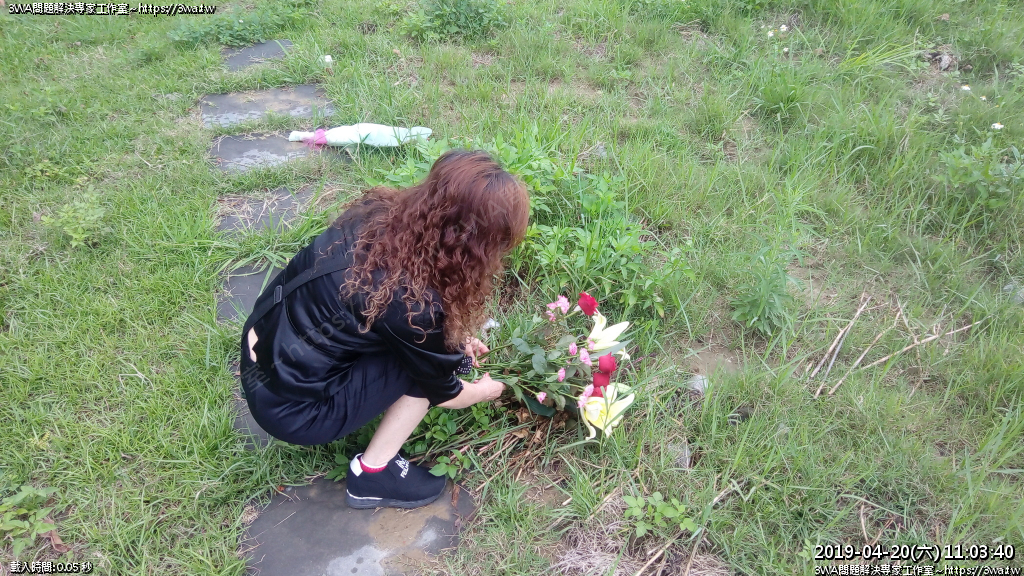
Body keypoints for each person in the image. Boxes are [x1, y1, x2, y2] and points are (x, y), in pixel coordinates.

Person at [238, 149, 530, 510]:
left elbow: (370, 312)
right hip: (292, 411)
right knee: (427, 368)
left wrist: (453, 342)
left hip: (259, 348)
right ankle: (372, 474)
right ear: (476, 245)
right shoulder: (415, 304)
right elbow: (446, 392)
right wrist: (486, 390)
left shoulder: (372, 215)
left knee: (437, 350)